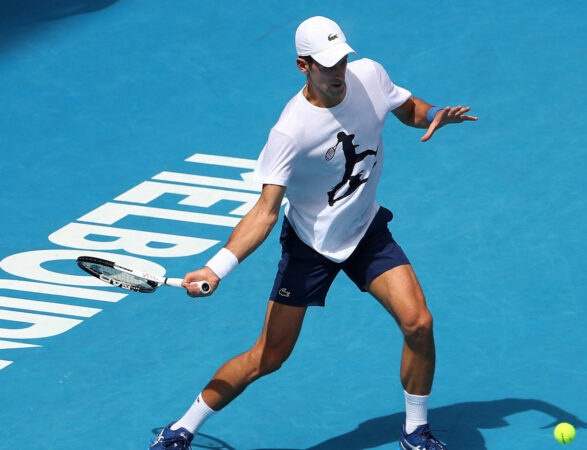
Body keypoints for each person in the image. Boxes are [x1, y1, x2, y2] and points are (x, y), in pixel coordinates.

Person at [149, 15, 477, 450]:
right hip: (310, 247)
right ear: (303, 66)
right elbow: (265, 212)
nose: (338, 71)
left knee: (419, 323)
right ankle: (182, 427)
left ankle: (416, 432)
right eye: (326, 64)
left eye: (342, 58)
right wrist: (217, 267)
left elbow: (407, 108)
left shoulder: (369, 75)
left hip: (365, 232)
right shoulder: (290, 131)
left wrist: (435, 114)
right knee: (269, 356)